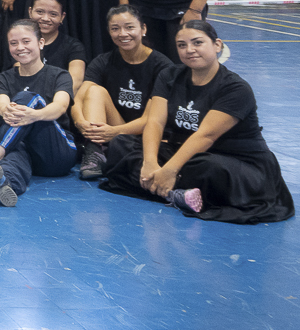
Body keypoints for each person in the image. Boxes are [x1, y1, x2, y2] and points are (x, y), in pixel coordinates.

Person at [100, 20, 293, 223]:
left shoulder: (236, 88)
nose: (189, 50)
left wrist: (169, 170)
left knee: (206, 167)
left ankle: (166, 187)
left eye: (197, 42)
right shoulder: (169, 76)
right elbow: (155, 122)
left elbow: (205, 136)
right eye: (182, 45)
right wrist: (150, 163)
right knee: (122, 144)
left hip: (235, 160)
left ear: (217, 45)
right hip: (185, 152)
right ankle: (176, 194)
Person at [0, 19, 79, 208]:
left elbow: (61, 106)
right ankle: (2, 184)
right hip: (22, 150)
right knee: (15, 152)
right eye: (14, 43)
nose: (20, 47)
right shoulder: (2, 78)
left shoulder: (59, 75)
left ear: (41, 43)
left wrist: (34, 115)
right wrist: (10, 111)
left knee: (30, 98)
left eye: (26, 41)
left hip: (57, 153)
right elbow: (2, 105)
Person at [71, 5, 176, 181]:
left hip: (143, 137)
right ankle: (95, 152)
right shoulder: (103, 61)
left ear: (143, 29)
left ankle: (98, 149)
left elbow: (151, 120)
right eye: (115, 28)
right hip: (110, 131)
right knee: (95, 91)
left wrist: (114, 132)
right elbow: (78, 99)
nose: (123, 33)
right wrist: (80, 122)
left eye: (129, 27)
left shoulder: (163, 67)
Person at [28, 0, 86, 90]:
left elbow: (75, 82)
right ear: (30, 12)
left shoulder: (74, 47)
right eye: (40, 12)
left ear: (62, 17)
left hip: (60, 100)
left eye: (53, 14)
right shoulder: (19, 43)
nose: (45, 18)